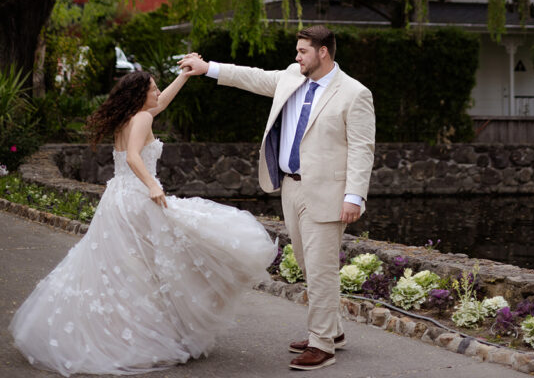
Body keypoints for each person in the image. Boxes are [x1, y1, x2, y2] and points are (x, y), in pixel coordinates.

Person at [10, 67, 276, 376]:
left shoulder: (129, 117)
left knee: (126, 268)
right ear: (140, 94)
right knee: (161, 259)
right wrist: (152, 185)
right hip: (138, 198)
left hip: (116, 199)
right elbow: (135, 157)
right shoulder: (142, 118)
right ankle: (140, 335)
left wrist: (185, 77)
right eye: (153, 87)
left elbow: (160, 105)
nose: (157, 91)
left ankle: (125, 330)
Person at [179, 24, 376, 372]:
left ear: (323, 52)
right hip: (291, 187)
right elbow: (253, 77)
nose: (296, 56)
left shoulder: (355, 93)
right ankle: (333, 331)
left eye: (303, 51)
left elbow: (362, 149)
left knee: (320, 269)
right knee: (305, 262)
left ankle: (322, 344)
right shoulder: (292, 76)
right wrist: (208, 68)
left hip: (328, 194)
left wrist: (354, 196)